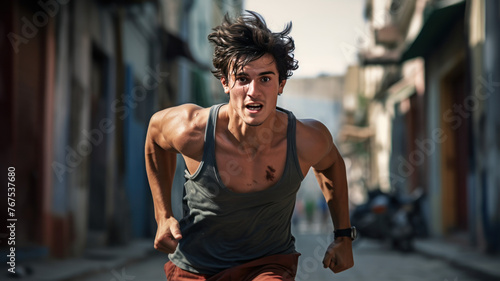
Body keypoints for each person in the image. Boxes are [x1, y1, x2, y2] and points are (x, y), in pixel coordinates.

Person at [145, 11, 354, 280]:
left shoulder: (306, 138)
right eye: (243, 79)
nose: (253, 91)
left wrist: (344, 236)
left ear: (281, 85)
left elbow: (332, 164)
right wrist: (163, 216)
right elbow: (154, 134)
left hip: (269, 264)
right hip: (196, 267)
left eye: (265, 79)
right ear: (225, 83)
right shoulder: (192, 130)